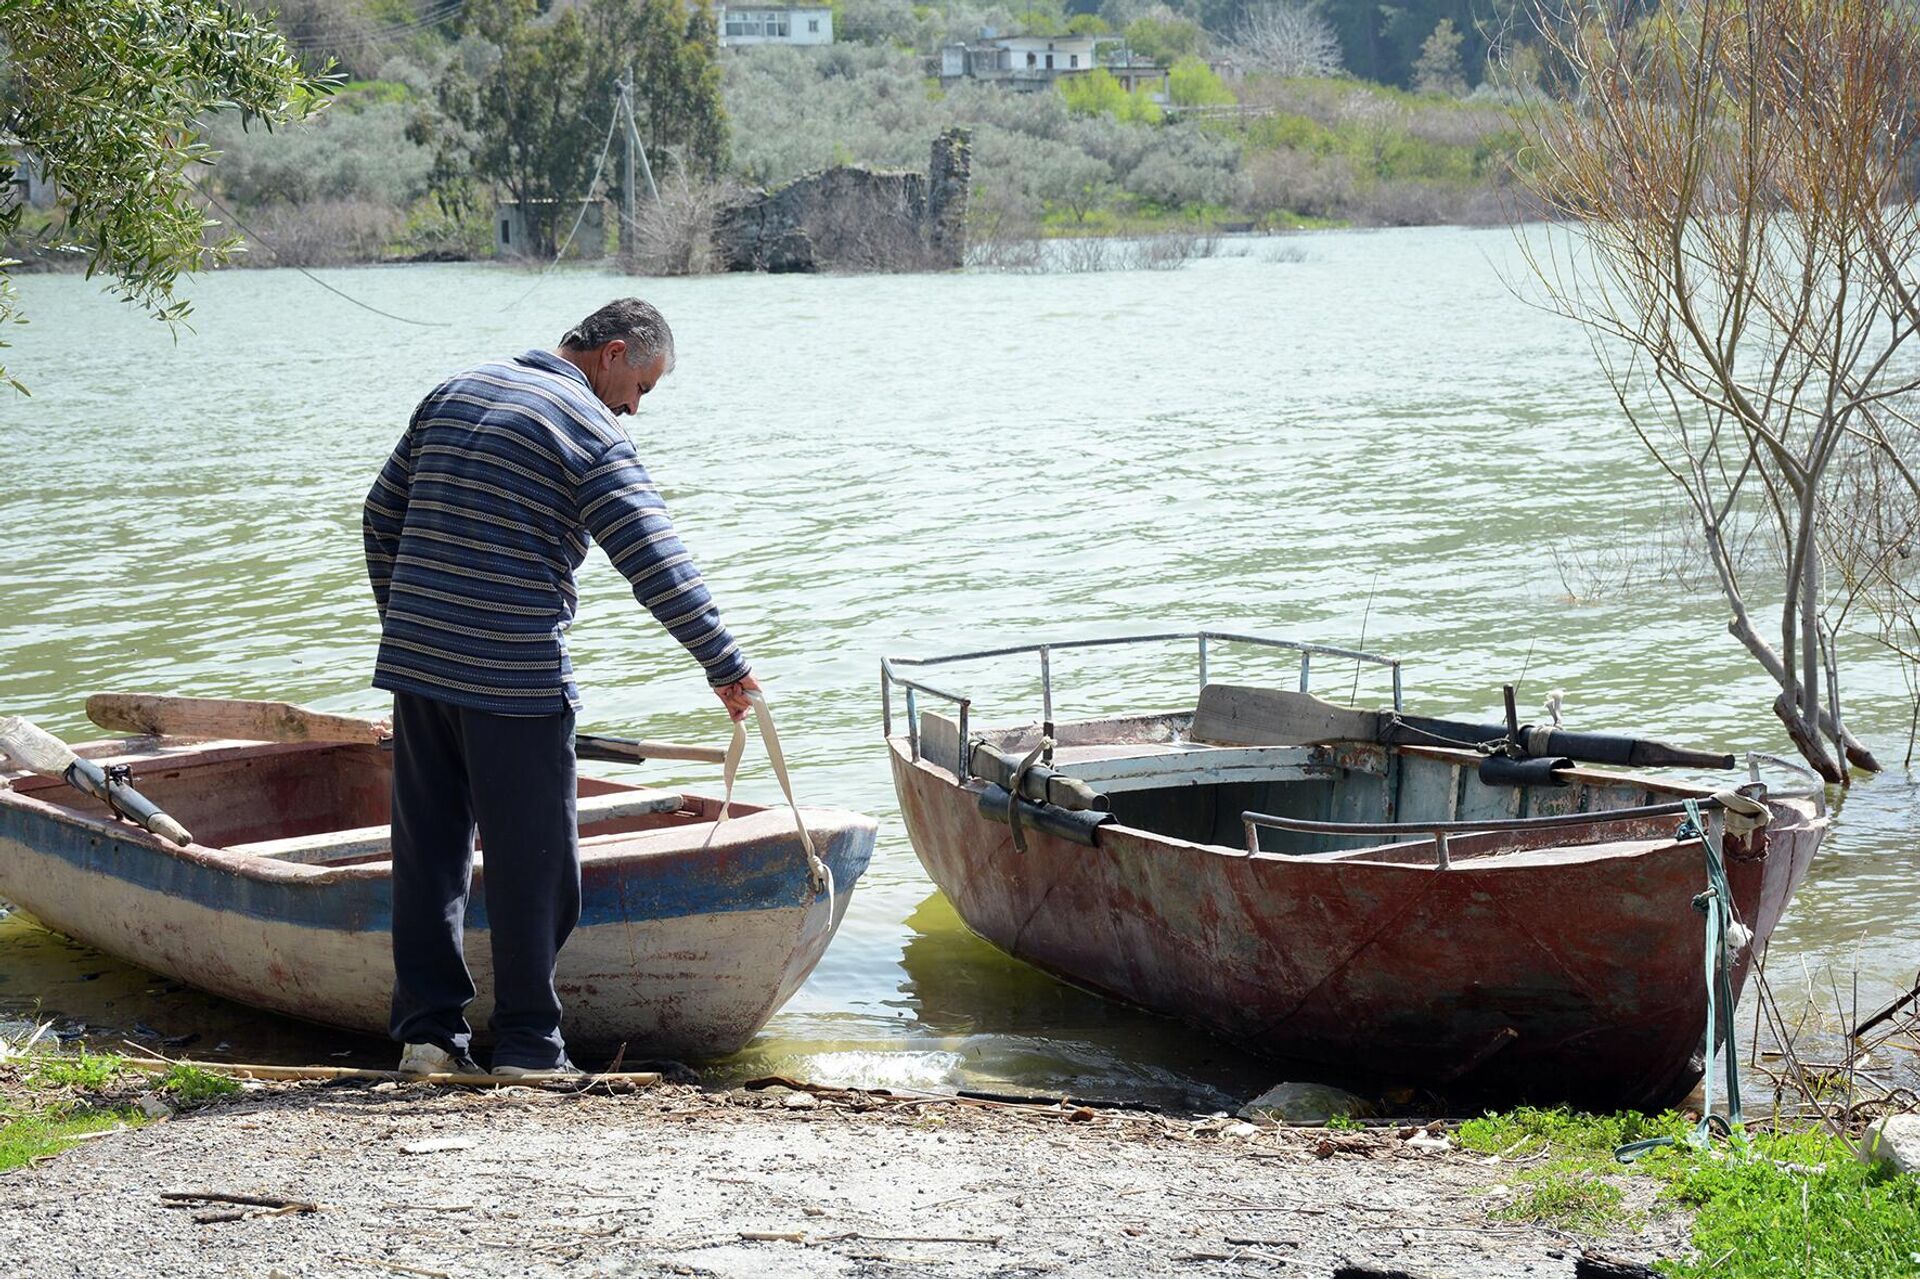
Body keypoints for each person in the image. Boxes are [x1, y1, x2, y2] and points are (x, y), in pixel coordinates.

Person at [362, 298, 756, 1079]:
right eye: (640, 386)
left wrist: (408, 624)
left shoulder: (457, 389)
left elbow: (381, 513)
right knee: (536, 866)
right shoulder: (587, 429)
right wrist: (726, 663)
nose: (636, 408)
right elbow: (656, 562)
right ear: (611, 353)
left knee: (431, 857)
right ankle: (529, 1047)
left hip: (421, 672)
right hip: (516, 680)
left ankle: (429, 1039)